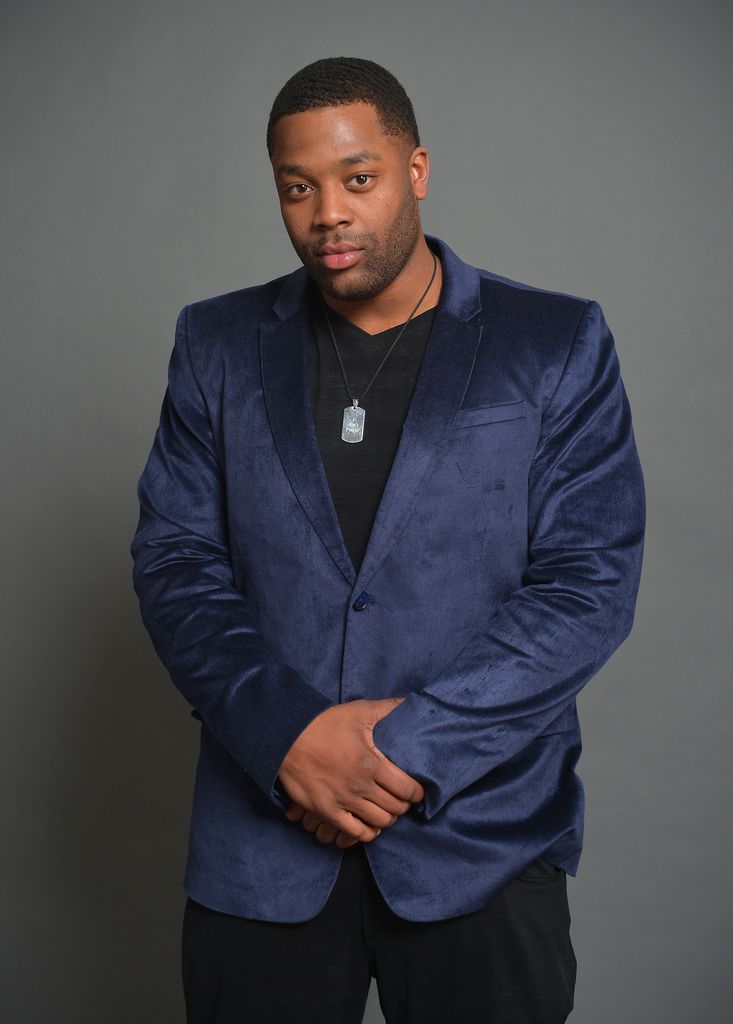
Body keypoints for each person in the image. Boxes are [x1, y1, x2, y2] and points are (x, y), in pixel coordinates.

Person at [130, 56, 645, 1024]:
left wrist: (403, 748)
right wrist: (287, 734)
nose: (327, 211)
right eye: (298, 186)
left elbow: (586, 585)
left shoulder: (554, 340)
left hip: (479, 845)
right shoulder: (217, 344)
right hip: (262, 854)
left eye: (356, 178)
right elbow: (176, 566)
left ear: (414, 169)